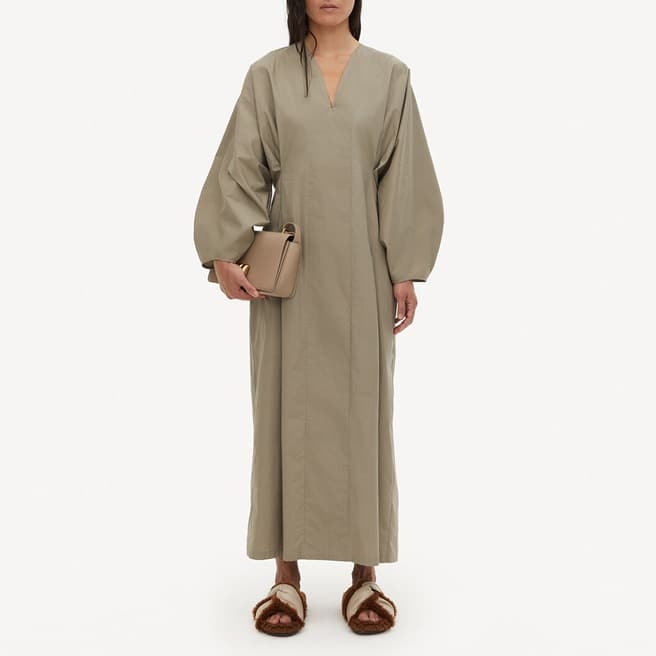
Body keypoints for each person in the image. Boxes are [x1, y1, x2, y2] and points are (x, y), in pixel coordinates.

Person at [193, 0, 444, 636]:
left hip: (363, 272)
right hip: (289, 276)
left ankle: (365, 576)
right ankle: (287, 576)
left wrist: (405, 267)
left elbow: (404, 177)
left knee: (364, 414)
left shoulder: (390, 77)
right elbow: (240, 167)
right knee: (285, 411)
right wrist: (223, 251)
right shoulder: (268, 75)